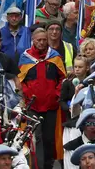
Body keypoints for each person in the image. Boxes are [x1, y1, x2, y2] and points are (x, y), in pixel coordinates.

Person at [18, 28, 66, 169]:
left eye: (44, 40)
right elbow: (20, 81)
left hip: (51, 106)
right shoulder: (25, 57)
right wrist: (27, 94)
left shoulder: (54, 57)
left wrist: (56, 95)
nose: (42, 42)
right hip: (32, 106)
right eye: (38, 40)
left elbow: (62, 78)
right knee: (35, 138)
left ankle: (48, 166)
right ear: (33, 40)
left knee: (49, 139)